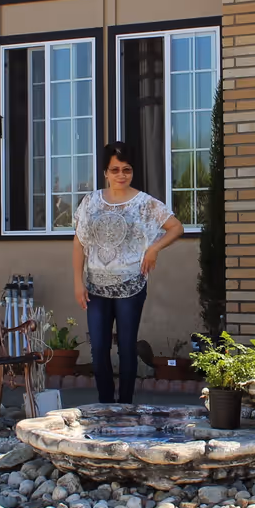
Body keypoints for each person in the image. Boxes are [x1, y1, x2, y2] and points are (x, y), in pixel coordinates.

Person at [72, 142, 184, 404]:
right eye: (115, 170)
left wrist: (154, 249)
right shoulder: (90, 202)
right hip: (95, 288)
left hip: (130, 286)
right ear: (105, 172)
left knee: (126, 348)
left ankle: (124, 407)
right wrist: (78, 283)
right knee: (98, 349)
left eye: (126, 169)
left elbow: (176, 227)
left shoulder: (144, 203)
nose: (121, 175)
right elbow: (79, 243)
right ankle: (105, 405)